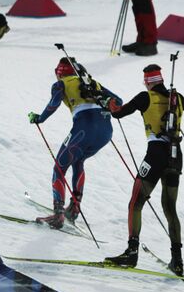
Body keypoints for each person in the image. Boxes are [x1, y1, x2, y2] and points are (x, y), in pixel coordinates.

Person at [105, 63, 184, 274]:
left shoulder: (144, 97)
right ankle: (177, 260)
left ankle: (131, 252)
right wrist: (175, 98)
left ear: (147, 82)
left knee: (135, 203)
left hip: (155, 154)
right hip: (175, 155)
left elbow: (118, 113)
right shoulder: (177, 98)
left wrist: (110, 104)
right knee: (170, 208)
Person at [27, 57, 121, 229]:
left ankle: (58, 215)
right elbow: (118, 101)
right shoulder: (92, 83)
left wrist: (39, 119)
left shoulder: (60, 84)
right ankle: (74, 208)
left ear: (59, 73)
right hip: (106, 133)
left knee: (59, 168)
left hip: (84, 130)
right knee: (78, 161)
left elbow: (53, 104)